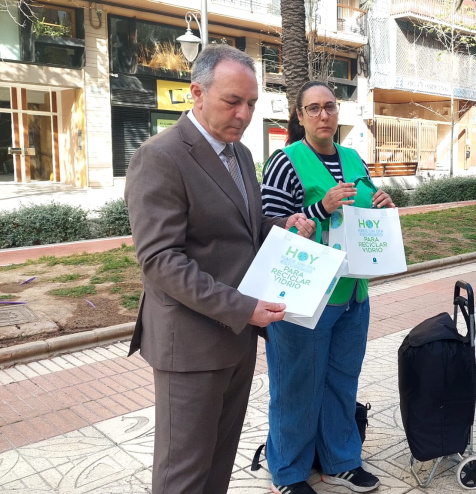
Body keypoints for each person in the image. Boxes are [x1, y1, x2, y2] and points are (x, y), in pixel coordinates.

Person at [125, 44, 316, 494]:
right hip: (190, 345)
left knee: (218, 464)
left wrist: (282, 225)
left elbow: (241, 229)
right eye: (233, 101)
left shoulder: (240, 154)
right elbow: (160, 261)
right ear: (197, 92)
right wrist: (244, 307)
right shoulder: (161, 156)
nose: (245, 114)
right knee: (183, 475)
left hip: (237, 338)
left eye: (251, 103)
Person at [260, 81, 394, 494]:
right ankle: (289, 472)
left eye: (330, 107)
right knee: (296, 386)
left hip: (354, 295)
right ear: (299, 116)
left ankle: (340, 461)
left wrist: (382, 204)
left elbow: (363, 211)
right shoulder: (285, 161)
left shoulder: (354, 158)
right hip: (305, 298)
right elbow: (267, 226)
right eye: (313, 109)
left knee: (341, 381)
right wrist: (320, 209)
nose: (323, 115)